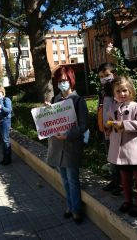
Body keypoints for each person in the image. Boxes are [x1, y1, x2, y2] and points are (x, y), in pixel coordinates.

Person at [45, 66, 88, 224]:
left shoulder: (78, 101)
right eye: (59, 80)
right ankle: (70, 206)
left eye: (64, 80)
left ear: (71, 80)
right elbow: (53, 120)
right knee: (64, 179)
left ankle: (76, 210)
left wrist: (68, 135)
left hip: (71, 146)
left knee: (73, 179)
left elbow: (83, 126)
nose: (62, 83)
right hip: (58, 146)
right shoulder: (56, 99)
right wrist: (47, 112)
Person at [107, 76, 137, 217]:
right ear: (114, 93)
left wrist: (124, 124)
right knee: (124, 176)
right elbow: (111, 122)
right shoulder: (113, 107)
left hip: (134, 150)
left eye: (124, 90)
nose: (122, 94)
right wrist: (109, 127)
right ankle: (128, 200)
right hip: (121, 150)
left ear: (130, 91)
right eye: (118, 91)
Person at [97, 63, 122, 196]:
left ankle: (120, 184)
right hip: (105, 130)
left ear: (114, 74)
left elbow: (118, 110)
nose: (104, 78)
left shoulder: (118, 91)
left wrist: (110, 125)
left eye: (107, 75)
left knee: (118, 158)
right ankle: (114, 181)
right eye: (101, 76)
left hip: (114, 130)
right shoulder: (103, 91)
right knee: (111, 158)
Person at [0, 85, 13, 165]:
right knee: (2, 141)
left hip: (5, 122)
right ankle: (4, 158)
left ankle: (8, 159)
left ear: (2, 92)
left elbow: (8, 110)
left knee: (6, 140)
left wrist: (1, 107)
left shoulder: (6, 99)